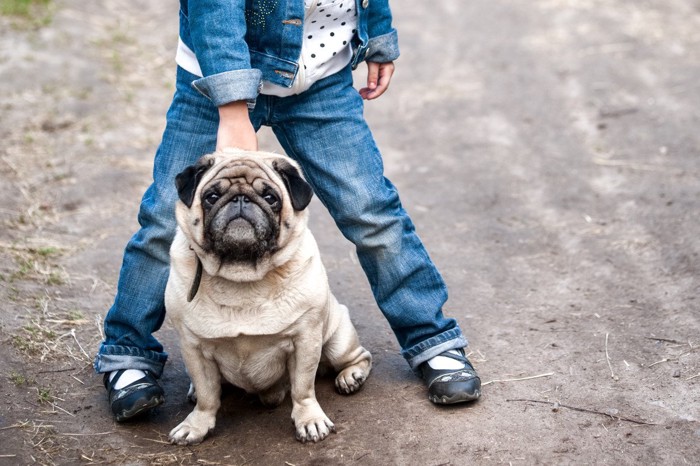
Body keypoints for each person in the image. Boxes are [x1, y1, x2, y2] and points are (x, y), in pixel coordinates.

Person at [95, 0, 481, 422]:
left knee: (372, 212)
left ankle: (433, 342)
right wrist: (232, 106)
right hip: (215, 80)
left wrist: (378, 36)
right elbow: (214, 10)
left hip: (320, 78)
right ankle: (128, 352)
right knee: (163, 221)